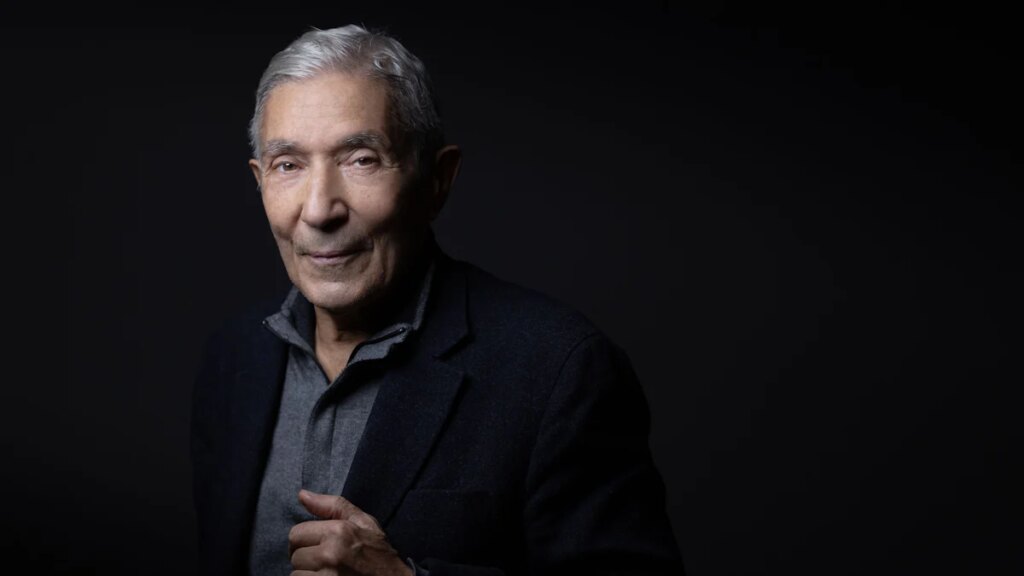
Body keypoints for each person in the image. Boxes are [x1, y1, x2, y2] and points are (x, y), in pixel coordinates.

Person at [190, 24, 685, 576]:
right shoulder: (233, 361)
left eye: (361, 159)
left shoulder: (561, 371)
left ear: (437, 181)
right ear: (260, 182)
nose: (320, 209)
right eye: (289, 165)